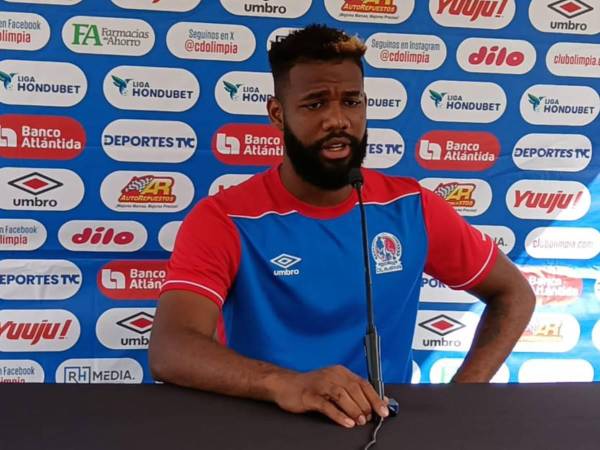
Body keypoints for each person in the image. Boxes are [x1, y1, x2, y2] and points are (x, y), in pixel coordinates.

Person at [149, 24, 536, 429]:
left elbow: (513, 294)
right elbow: (171, 348)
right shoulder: (224, 218)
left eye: (351, 102)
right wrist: (286, 385)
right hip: (257, 427)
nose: (338, 120)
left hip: (375, 431)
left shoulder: (412, 209)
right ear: (278, 115)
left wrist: (462, 395)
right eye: (315, 105)